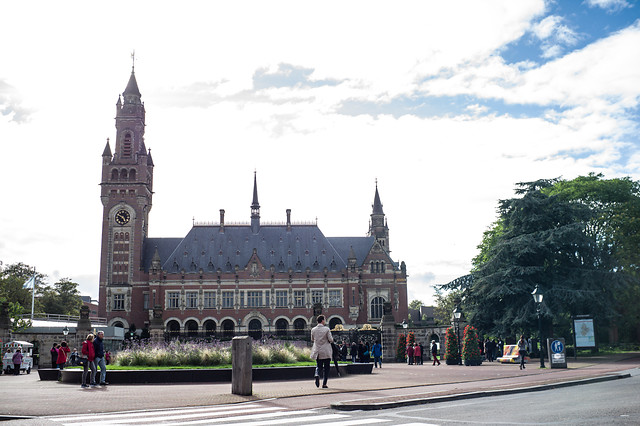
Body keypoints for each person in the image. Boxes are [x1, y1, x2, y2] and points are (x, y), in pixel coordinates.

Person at [310, 315, 333, 389]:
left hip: (318, 351)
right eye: (324, 320)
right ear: (322, 320)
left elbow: (312, 339)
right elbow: (330, 339)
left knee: (318, 366)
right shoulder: (327, 329)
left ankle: (317, 374)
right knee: (326, 368)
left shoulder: (313, 329)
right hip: (326, 351)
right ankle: (324, 384)